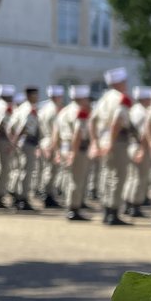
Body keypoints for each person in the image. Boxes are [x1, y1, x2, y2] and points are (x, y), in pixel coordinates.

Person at [90, 67, 135, 226]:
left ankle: (107, 209)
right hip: (117, 141)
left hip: (104, 140)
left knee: (107, 175)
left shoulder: (103, 99)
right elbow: (117, 120)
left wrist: (96, 141)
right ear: (119, 82)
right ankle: (113, 212)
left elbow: (92, 121)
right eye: (124, 81)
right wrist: (111, 140)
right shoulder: (121, 98)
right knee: (118, 176)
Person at [57, 85, 92, 221]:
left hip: (65, 146)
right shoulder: (80, 112)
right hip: (76, 147)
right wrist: (74, 151)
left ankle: (70, 205)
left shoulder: (64, 111)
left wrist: (59, 150)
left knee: (69, 178)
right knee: (76, 180)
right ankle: (73, 209)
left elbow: (56, 132)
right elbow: (78, 133)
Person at [6, 87, 42, 211]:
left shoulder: (20, 108)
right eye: (35, 95)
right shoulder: (28, 109)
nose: (37, 97)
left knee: (20, 169)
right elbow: (22, 127)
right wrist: (14, 142)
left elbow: (10, 126)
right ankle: (22, 198)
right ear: (29, 96)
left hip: (22, 142)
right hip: (27, 142)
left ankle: (16, 194)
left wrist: (13, 141)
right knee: (26, 171)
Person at [123, 85, 151, 219]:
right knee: (140, 177)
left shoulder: (134, 109)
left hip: (131, 146)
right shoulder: (142, 112)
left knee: (132, 176)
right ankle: (134, 206)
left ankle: (128, 203)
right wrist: (142, 149)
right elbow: (144, 134)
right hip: (139, 146)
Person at [37, 85, 65, 208]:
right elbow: (55, 130)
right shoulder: (55, 110)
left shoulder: (43, 109)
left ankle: (46, 193)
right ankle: (48, 195)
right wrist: (55, 147)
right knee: (51, 171)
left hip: (44, 140)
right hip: (51, 141)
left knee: (46, 169)